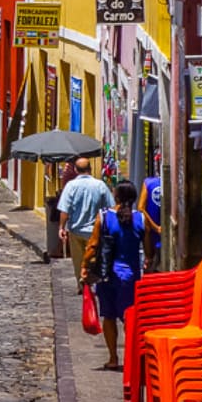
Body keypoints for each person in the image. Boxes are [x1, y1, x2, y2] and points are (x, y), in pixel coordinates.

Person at [82, 180, 154, 370]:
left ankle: (113, 358)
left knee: (109, 316)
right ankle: (132, 359)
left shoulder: (104, 216)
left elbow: (93, 245)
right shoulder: (141, 219)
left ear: (116, 196)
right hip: (130, 277)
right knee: (130, 318)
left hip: (107, 274)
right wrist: (147, 262)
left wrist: (84, 266)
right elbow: (148, 251)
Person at [57, 157, 114, 293]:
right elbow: (111, 207)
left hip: (75, 230)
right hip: (95, 231)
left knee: (78, 260)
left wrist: (61, 227)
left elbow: (65, 210)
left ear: (75, 170)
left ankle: (82, 286)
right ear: (90, 169)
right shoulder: (100, 185)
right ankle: (94, 285)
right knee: (94, 259)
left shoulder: (70, 186)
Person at [138, 169, 162, 267]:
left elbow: (140, 208)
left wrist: (155, 227)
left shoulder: (148, 183)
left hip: (152, 233)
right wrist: (156, 228)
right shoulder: (148, 183)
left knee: (151, 263)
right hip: (156, 233)